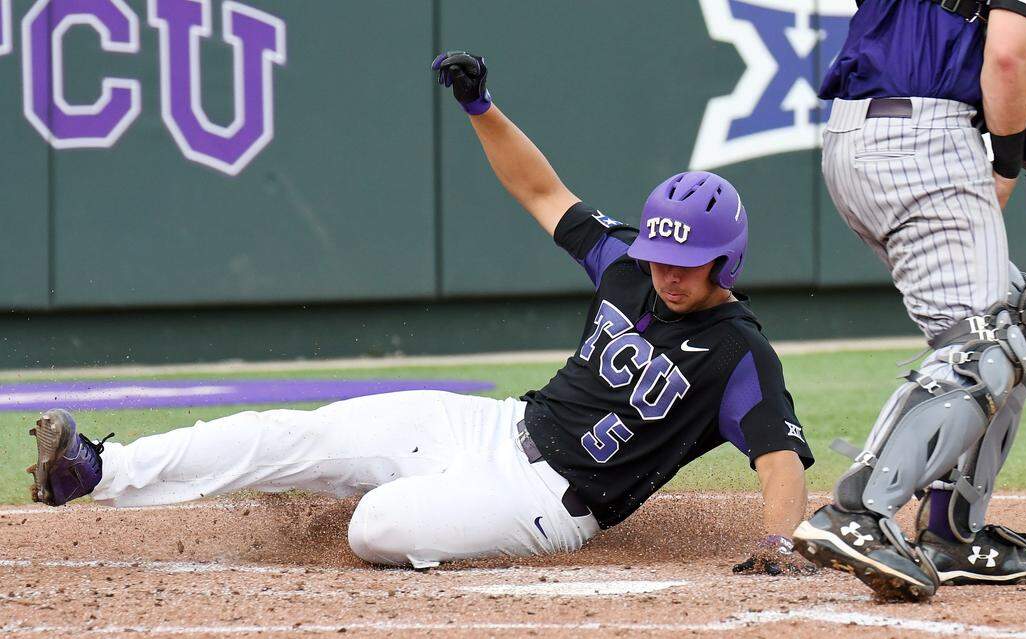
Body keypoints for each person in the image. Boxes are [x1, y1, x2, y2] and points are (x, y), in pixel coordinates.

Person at [26, 51, 815, 572]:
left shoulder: (739, 351)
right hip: (493, 426)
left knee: (375, 527)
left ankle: (412, 505)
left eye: (686, 262)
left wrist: (778, 541)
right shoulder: (626, 264)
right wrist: (483, 108)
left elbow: (779, 461)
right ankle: (97, 469)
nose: (667, 273)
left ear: (726, 260)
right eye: (660, 255)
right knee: (294, 432)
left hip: (551, 503)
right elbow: (542, 191)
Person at [791, 0, 1026, 600]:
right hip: (925, 137)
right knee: (983, 345)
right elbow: (1009, 53)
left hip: (859, 136)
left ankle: (951, 529)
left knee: (1006, 313)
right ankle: (861, 511)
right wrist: (1007, 163)